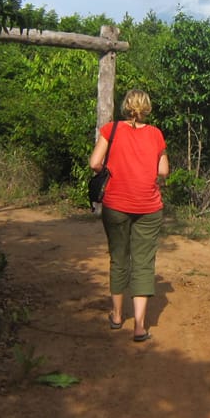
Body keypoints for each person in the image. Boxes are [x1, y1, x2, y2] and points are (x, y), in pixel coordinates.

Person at [88, 89, 169, 342]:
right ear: (147, 108)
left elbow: (94, 163)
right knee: (144, 262)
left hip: (115, 203)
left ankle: (115, 315)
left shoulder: (110, 129)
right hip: (148, 205)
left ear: (125, 106)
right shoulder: (156, 134)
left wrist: (111, 168)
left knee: (118, 257)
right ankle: (140, 326)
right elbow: (163, 171)